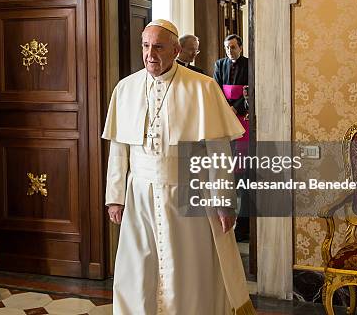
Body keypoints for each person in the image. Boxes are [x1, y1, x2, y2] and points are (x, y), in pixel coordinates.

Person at [103, 19, 255, 314]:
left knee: (188, 269)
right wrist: (115, 197)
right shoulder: (125, 89)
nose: (150, 54)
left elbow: (217, 151)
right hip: (139, 197)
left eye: (158, 47)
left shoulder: (202, 87)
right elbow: (119, 149)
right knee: (138, 268)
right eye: (146, 46)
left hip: (189, 193)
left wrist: (224, 201)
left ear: (175, 50)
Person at [213, 34, 250, 241]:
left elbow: (250, 89)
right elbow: (216, 89)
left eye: (233, 47)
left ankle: (243, 225)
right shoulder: (220, 64)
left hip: (241, 114)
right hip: (223, 114)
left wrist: (235, 108)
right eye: (227, 48)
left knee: (243, 167)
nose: (230, 51)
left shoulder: (248, 64)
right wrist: (224, 108)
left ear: (241, 48)